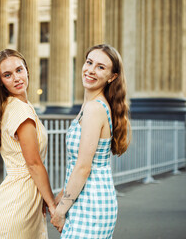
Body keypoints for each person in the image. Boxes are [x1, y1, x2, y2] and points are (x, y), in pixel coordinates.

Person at [50, 44, 131, 238]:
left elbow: (84, 167)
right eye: (89, 62)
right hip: (87, 198)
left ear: (112, 77)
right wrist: (63, 193)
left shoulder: (94, 108)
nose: (91, 70)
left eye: (101, 67)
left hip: (91, 202)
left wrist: (60, 211)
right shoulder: (92, 105)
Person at [0, 49, 56, 238]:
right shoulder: (20, 111)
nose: (16, 78)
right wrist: (52, 204)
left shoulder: (15, 106)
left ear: (27, 71)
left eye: (19, 70)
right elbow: (33, 164)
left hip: (22, 198)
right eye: (7, 75)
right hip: (20, 201)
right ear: (0, 81)